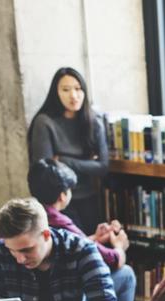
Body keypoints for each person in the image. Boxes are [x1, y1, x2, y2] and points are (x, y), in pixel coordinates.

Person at [27, 158, 137, 301]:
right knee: (126, 274)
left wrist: (93, 238)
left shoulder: (32, 215)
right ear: (63, 195)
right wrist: (119, 246)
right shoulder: (60, 221)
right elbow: (112, 260)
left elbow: (66, 246)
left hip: (45, 294)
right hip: (71, 292)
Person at [28, 67, 108, 231]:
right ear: (55, 93)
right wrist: (87, 164)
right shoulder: (44, 123)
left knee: (96, 244)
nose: (73, 95)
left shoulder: (94, 121)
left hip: (89, 196)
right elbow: (47, 173)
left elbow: (103, 167)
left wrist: (64, 160)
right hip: (59, 203)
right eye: (66, 89)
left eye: (78, 89)